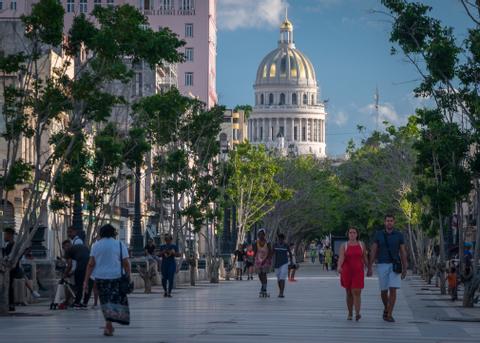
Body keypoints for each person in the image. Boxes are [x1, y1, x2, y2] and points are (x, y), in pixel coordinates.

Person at [84, 224, 130, 336]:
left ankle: (108, 324)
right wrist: (128, 275)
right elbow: (126, 263)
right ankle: (109, 324)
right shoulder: (119, 244)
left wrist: (86, 280)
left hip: (100, 278)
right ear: (114, 233)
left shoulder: (96, 245)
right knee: (113, 300)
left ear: (101, 233)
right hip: (116, 277)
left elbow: (91, 264)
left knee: (104, 301)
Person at [367, 214, 408, 323]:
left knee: (393, 289)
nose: (389, 222)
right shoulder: (379, 234)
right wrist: (369, 267)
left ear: (394, 222)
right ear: (384, 222)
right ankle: (386, 307)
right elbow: (374, 250)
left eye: (391, 221)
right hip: (382, 264)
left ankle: (389, 314)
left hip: (395, 265)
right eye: (387, 221)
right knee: (384, 291)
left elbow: (403, 252)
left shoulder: (399, 235)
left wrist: (405, 267)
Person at [337, 227, 368, 321]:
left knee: (357, 291)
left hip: (358, 271)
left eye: (354, 232)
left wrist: (369, 267)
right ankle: (350, 313)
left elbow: (364, 257)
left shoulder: (362, 244)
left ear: (357, 234)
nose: (352, 234)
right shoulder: (344, 245)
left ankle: (357, 313)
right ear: (348, 234)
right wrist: (339, 266)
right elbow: (341, 257)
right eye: (350, 232)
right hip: (347, 271)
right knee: (349, 292)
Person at [62, 240, 91, 308]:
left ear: (66, 246)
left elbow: (69, 265)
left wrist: (65, 274)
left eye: (63, 248)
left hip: (81, 267)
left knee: (79, 286)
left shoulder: (68, 250)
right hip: (89, 265)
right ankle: (85, 303)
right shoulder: (80, 246)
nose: (63, 250)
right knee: (87, 285)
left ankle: (77, 302)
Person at [2, 228, 24, 311]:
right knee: (9, 286)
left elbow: (16, 257)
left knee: (9, 286)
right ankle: (10, 304)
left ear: (10, 235)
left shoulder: (14, 246)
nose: (4, 236)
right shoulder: (8, 245)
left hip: (11, 269)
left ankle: (10, 304)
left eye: (5, 235)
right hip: (9, 268)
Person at [159, 233, 179, 297]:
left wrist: (174, 253)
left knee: (171, 278)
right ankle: (165, 291)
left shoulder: (174, 246)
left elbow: (178, 254)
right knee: (163, 279)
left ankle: (169, 292)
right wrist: (163, 252)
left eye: (169, 239)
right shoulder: (162, 246)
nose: (167, 241)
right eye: (166, 239)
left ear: (171, 239)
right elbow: (158, 254)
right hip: (164, 264)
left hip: (171, 264)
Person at [254, 229, 272, 297]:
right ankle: (263, 285)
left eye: (262, 234)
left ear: (264, 235)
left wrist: (267, 259)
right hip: (258, 260)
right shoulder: (256, 242)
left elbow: (270, 251)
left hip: (266, 259)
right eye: (259, 234)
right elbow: (255, 251)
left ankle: (264, 288)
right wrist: (253, 258)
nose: (261, 235)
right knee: (259, 274)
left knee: (264, 274)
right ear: (258, 235)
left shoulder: (268, 242)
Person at [273, 233, 291, 298]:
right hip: (277, 264)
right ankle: (280, 290)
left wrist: (291, 262)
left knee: (282, 278)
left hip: (284, 263)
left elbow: (290, 253)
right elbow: (272, 253)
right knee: (279, 279)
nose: (280, 240)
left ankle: (281, 293)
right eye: (279, 239)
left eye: (281, 239)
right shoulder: (275, 245)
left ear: (283, 239)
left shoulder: (286, 245)